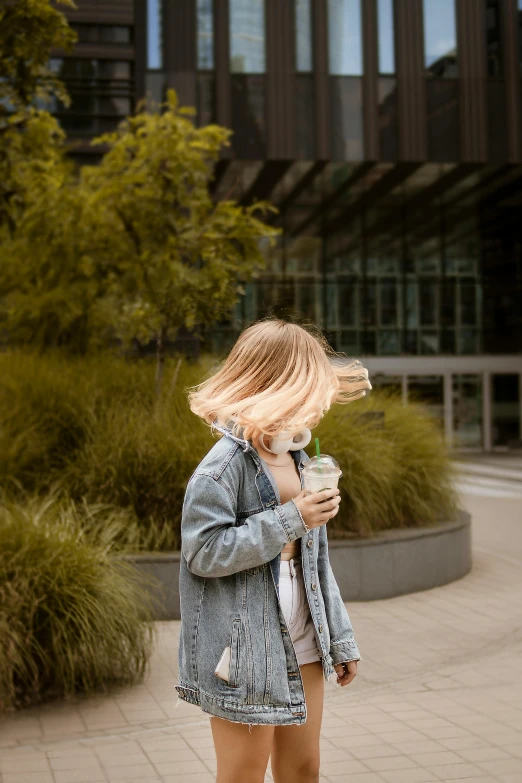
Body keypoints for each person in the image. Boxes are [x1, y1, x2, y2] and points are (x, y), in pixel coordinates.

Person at [177, 319, 371, 783]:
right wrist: (293, 517)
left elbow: (317, 562)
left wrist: (339, 639)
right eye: (307, 392)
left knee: (304, 768)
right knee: (244, 772)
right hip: (242, 647)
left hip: (304, 632)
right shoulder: (221, 468)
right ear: (274, 385)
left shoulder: (301, 460)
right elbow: (203, 552)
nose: (315, 407)